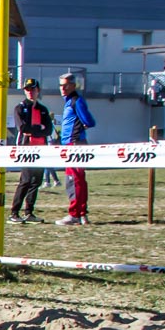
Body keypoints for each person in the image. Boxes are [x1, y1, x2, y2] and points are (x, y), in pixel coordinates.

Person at [9, 79, 53, 223]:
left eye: (32, 89)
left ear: (38, 90)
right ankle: (14, 212)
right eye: (27, 89)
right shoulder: (20, 108)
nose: (30, 92)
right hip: (26, 148)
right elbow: (23, 128)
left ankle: (29, 212)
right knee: (26, 180)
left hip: (41, 149)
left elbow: (48, 130)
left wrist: (37, 130)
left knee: (36, 181)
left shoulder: (43, 109)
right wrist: (38, 128)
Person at [55, 73, 95, 225]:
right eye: (60, 85)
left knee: (74, 179)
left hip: (75, 144)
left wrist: (84, 124)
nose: (62, 88)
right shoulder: (69, 102)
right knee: (77, 179)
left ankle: (75, 214)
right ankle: (81, 213)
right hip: (70, 144)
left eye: (65, 85)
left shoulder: (76, 101)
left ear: (73, 85)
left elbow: (89, 121)